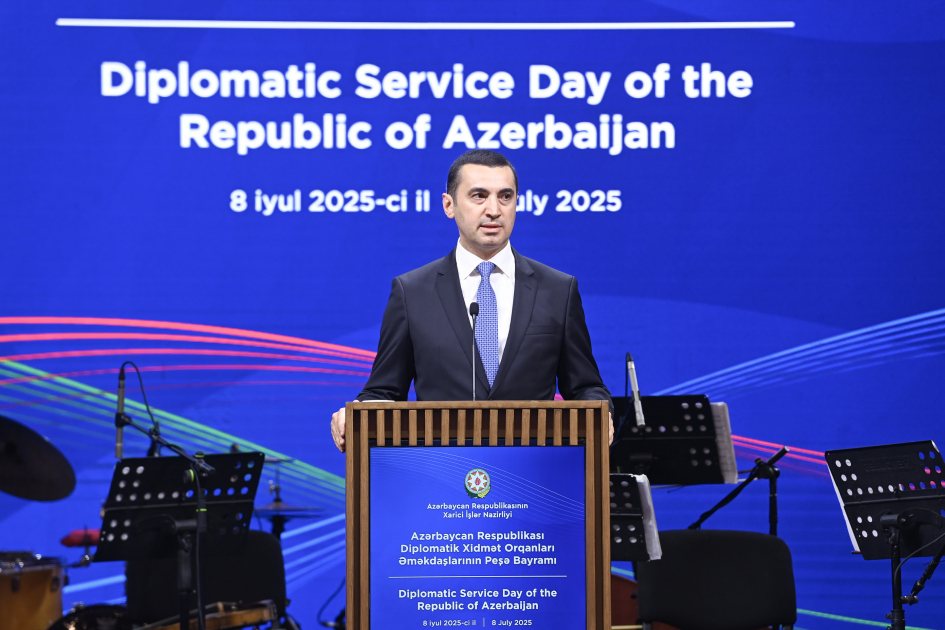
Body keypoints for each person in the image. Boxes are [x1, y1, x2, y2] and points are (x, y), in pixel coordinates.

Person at [330, 149, 612, 452]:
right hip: (443, 470)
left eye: (505, 196)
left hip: (533, 468)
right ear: (449, 205)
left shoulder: (558, 289)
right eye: (479, 196)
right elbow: (384, 390)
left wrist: (600, 412)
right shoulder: (411, 292)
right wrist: (356, 412)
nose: (494, 210)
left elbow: (586, 386)